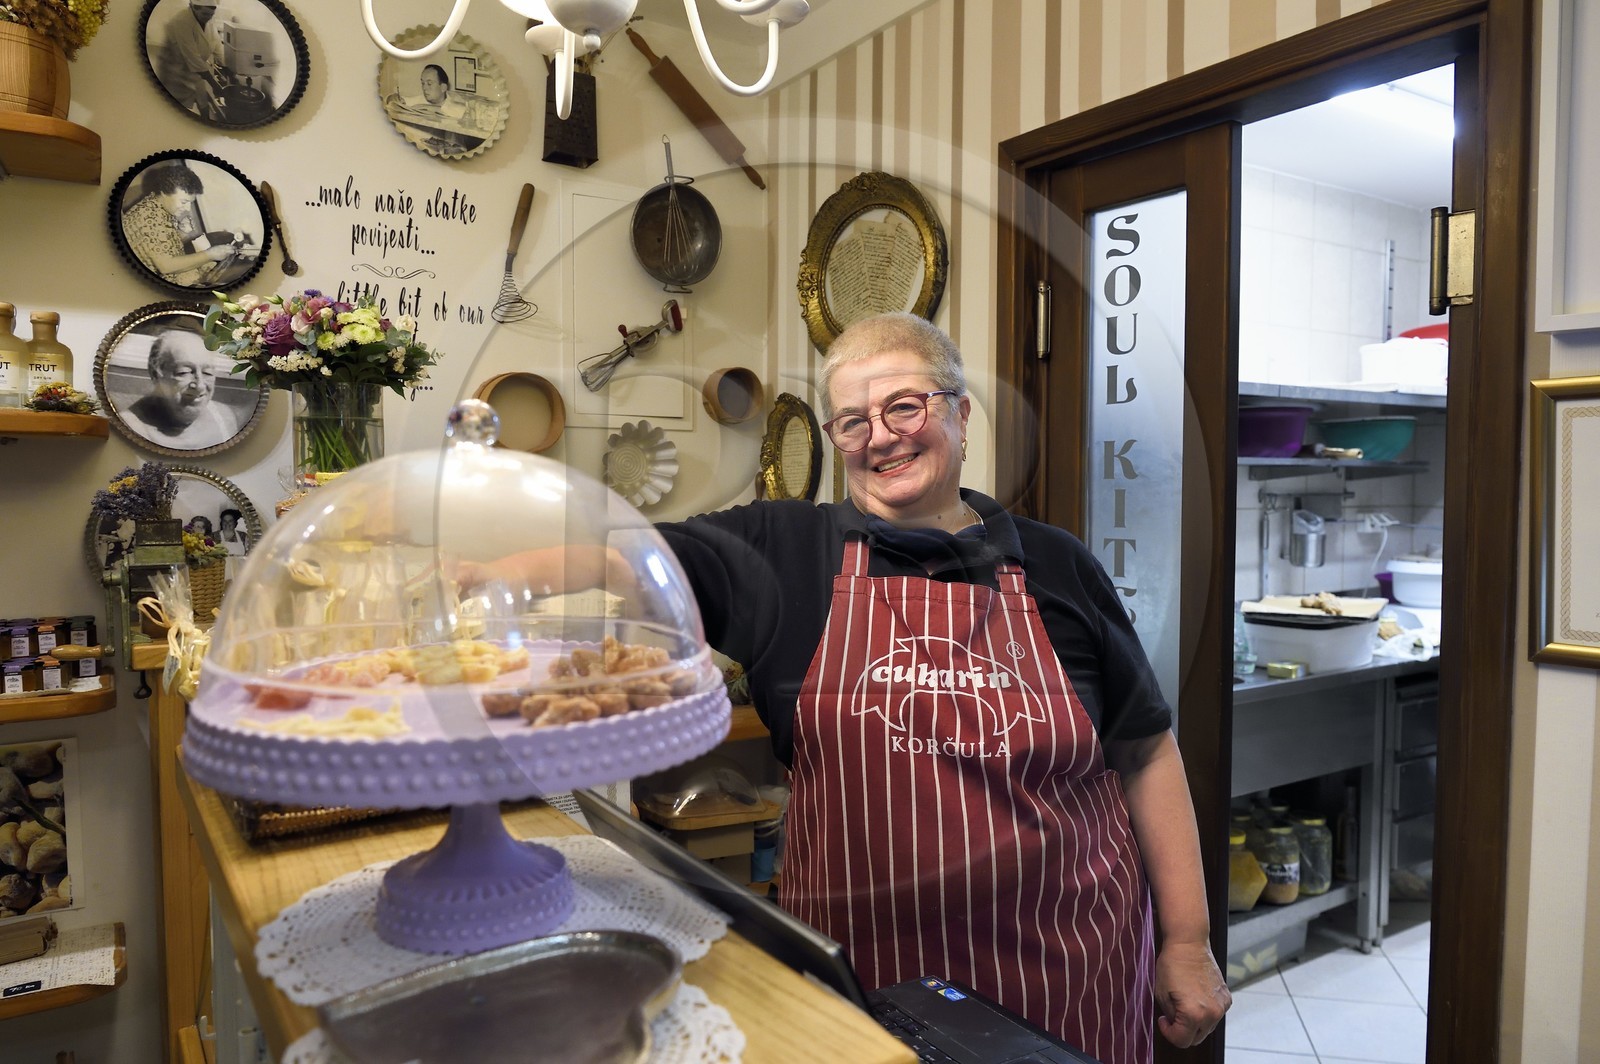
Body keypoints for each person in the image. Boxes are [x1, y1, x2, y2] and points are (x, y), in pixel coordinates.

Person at [461, 313, 1229, 1063]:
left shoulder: (1059, 567)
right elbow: (627, 558)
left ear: (961, 414)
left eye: (904, 405)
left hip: (1068, 966)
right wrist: (493, 579)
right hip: (864, 974)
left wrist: (1188, 941)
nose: (882, 436)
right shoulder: (784, 551)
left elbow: (1146, 752)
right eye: (853, 421)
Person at [120, 165, 254, 288]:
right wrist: (210, 255)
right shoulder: (149, 217)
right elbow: (166, 266)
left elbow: (158, 245)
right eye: (184, 202)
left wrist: (183, 233)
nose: (188, 208)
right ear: (165, 192)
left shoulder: (156, 204)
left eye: (190, 202)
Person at [120, 325, 244, 448]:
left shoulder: (224, 418)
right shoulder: (129, 426)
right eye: (183, 372)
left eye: (207, 373)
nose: (200, 386)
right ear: (155, 374)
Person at [157, 0, 225, 120]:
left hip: (196, 69)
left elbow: (216, 42)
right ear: (193, 8)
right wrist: (215, 85)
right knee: (174, 106)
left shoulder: (208, 19)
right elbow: (191, 56)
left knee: (202, 99)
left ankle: (206, 123)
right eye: (205, 14)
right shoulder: (182, 21)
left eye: (211, 15)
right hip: (175, 69)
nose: (208, 18)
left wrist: (226, 66)